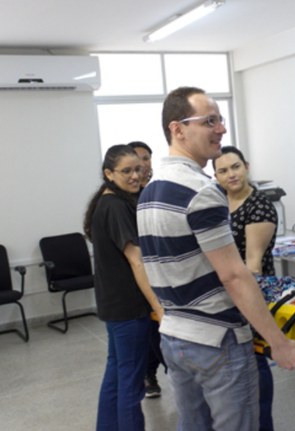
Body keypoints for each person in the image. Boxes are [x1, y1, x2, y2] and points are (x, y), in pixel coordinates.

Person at [136, 86, 295, 430]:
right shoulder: (202, 192)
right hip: (216, 341)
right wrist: (279, 342)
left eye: (221, 119)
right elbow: (234, 276)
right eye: (209, 121)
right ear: (177, 129)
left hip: (174, 336)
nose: (221, 129)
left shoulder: (150, 191)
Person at [84, 144, 164, 431]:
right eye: (127, 171)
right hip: (128, 308)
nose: (135, 176)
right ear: (109, 173)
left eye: (138, 169)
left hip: (113, 305)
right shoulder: (116, 206)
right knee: (131, 384)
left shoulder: (105, 201)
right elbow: (136, 261)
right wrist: (159, 308)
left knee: (117, 376)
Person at [213, 146, 278, 431]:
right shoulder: (218, 203)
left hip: (248, 297)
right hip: (223, 299)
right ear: (215, 176)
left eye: (235, 167)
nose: (231, 175)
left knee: (254, 368)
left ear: (246, 167)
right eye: (223, 170)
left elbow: (253, 267)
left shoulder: (259, 205)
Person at [127, 140, 164, 399]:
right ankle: (149, 374)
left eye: (148, 158)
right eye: (139, 159)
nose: (145, 164)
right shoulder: (124, 199)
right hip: (139, 275)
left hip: (162, 270)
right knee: (151, 331)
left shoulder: (154, 192)